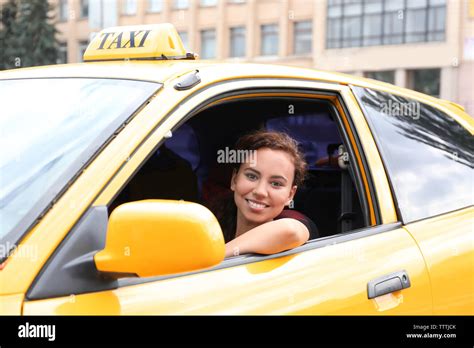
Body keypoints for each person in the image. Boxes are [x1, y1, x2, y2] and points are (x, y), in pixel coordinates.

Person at [216, 130, 318, 258]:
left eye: (276, 184)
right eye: (251, 176)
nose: (260, 191)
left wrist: (215, 258)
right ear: (234, 180)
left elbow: (290, 231)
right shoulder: (215, 225)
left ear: (290, 195)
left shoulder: (292, 223)